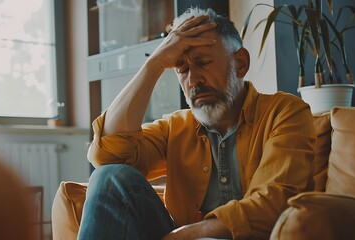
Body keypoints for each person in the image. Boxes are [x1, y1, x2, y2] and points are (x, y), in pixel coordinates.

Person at [78, 7, 316, 240]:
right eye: (182, 68)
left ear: (240, 63)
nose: (193, 80)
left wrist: (184, 235)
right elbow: (107, 155)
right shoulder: (175, 127)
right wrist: (155, 64)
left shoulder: (285, 112)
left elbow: (275, 203)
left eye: (203, 62)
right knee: (109, 177)